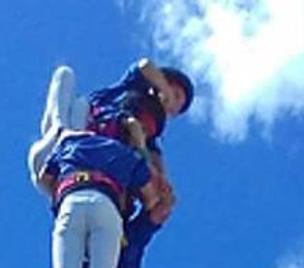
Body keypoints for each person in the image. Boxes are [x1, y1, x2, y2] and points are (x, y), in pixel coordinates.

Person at [39, 131, 159, 268]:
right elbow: (152, 197)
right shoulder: (125, 153)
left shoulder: (70, 143)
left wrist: (60, 195)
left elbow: (44, 178)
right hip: (107, 204)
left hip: (71, 200)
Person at [28, 59, 194, 197]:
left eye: (176, 110)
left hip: (80, 161)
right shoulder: (134, 88)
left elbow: (153, 156)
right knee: (65, 75)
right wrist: (164, 89)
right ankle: (59, 130)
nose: (172, 106)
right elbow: (144, 65)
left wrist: (162, 180)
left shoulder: (150, 134)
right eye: (176, 96)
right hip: (81, 125)